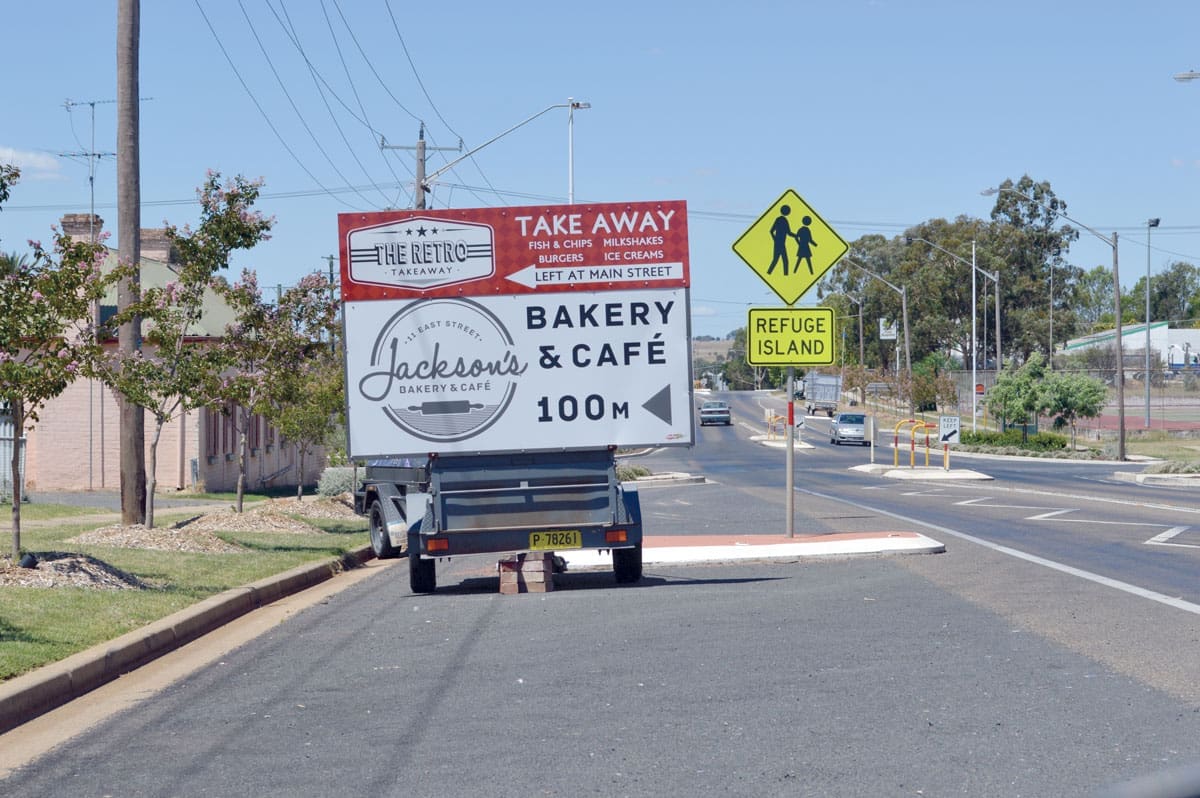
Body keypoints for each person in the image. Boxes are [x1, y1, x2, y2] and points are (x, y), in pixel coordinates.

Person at [767, 205, 793, 275]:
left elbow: (788, 233)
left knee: (778, 260)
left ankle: (769, 272)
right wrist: (775, 239)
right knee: (783, 260)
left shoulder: (781, 220)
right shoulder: (781, 220)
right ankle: (784, 275)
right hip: (779, 243)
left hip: (780, 243)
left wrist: (797, 235)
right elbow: (771, 231)